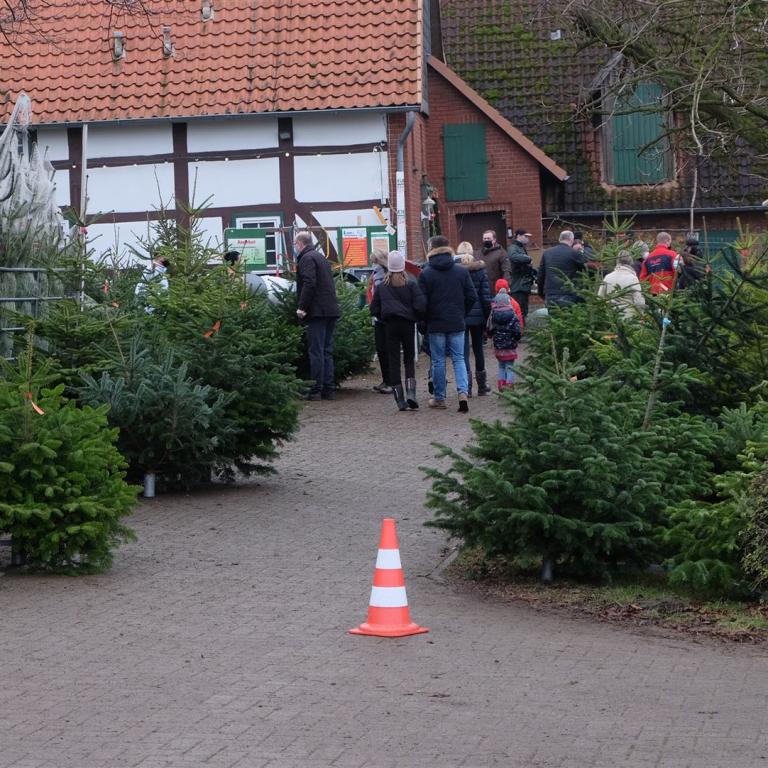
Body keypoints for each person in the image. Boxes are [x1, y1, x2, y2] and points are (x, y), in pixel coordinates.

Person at [418, 235, 477, 412]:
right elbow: (471, 296)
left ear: (432, 250)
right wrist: (461, 313)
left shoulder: (426, 273)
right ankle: (463, 393)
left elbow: (421, 303)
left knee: (438, 361)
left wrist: (425, 320)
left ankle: (439, 397)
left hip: (436, 323)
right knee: (459, 359)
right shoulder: (461, 271)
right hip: (456, 321)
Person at [370, 250, 426, 411]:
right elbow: (421, 306)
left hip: (390, 325)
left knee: (393, 360)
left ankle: (399, 399)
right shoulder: (411, 285)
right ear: (402, 267)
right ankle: (411, 393)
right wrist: (414, 317)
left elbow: (374, 308)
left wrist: (383, 318)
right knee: (408, 359)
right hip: (407, 325)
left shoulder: (382, 287)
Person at [294, 231, 341, 401]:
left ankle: (316, 390)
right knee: (327, 350)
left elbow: (309, 283)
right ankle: (329, 389)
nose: (295, 248)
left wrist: (302, 307)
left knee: (316, 351)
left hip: (317, 312)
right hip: (330, 309)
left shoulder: (306, 259)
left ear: (300, 243)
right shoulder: (321, 258)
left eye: (295, 244)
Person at [455, 242, 492, 396]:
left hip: (461, 315)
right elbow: (485, 296)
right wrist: (487, 316)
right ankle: (482, 386)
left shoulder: (455, 271)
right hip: (478, 316)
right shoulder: (480, 271)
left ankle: (467, 386)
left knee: (463, 352)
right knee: (478, 350)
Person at [537, 230, 588, 308]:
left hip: (551, 294)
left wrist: (541, 293)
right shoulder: (574, 253)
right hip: (568, 294)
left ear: (559, 239)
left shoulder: (547, 253)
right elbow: (587, 268)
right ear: (572, 240)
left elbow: (541, 275)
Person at [367, 249, 392, 394]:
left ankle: (391, 382)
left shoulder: (386, 275)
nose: (373, 264)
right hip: (379, 316)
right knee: (381, 349)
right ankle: (386, 380)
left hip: (385, 316)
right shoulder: (376, 274)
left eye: (374, 261)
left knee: (386, 350)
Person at [489, 287, 522, 391]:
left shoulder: (493, 315)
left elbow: (490, 329)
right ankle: (509, 387)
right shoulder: (513, 315)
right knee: (510, 367)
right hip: (510, 346)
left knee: (501, 366)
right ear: (508, 301)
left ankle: (501, 387)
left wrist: (491, 337)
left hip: (499, 347)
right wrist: (517, 339)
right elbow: (517, 331)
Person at [598, 250, 646, 318]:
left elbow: (600, 297)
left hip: (610, 317)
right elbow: (639, 301)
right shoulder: (632, 278)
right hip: (628, 318)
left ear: (617, 261)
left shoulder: (607, 277)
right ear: (630, 262)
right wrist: (641, 316)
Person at [507, 228, 535, 319]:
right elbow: (514, 257)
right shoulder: (513, 248)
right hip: (518, 286)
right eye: (525, 236)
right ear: (518, 236)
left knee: (523, 311)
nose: (527, 238)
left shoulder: (520, 247)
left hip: (523, 285)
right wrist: (528, 259)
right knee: (520, 312)